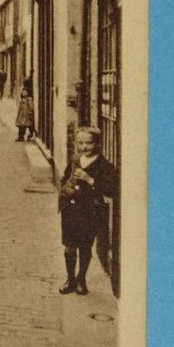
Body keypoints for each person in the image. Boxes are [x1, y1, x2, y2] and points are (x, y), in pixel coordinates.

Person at [58, 125, 117, 295]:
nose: (84, 147)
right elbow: (65, 177)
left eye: (89, 143)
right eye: (80, 143)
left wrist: (89, 179)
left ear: (98, 143)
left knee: (85, 246)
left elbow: (110, 190)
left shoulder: (104, 165)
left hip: (89, 212)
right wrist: (64, 190)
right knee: (69, 246)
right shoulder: (76, 158)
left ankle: (81, 279)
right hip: (70, 211)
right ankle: (70, 278)